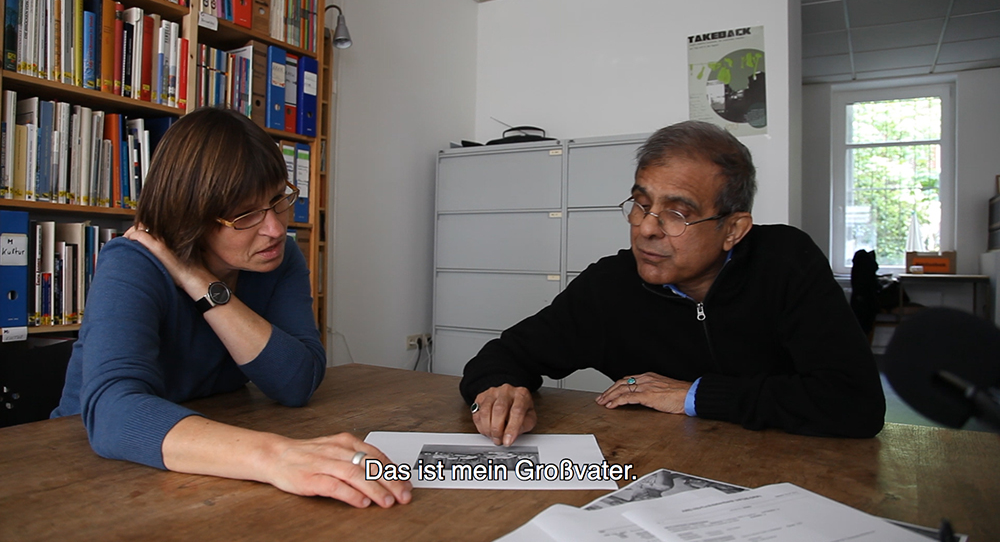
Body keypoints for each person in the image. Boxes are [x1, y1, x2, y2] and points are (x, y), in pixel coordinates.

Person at [52, 107, 412, 509]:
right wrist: (275, 456)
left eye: (278, 200)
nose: (275, 228)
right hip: (83, 468)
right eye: (245, 215)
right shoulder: (132, 262)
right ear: (191, 218)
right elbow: (115, 414)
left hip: (204, 461)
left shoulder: (276, 257)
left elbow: (296, 382)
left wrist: (199, 281)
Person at [460, 120, 885, 446]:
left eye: (677, 214)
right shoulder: (611, 285)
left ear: (733, 229)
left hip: (786, 478)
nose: (646, 228)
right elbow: (503, 356)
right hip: (654, 476)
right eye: (641, 205)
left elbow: (855, 403)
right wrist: (496, 393)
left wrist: (693, 396)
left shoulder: (785, 262)